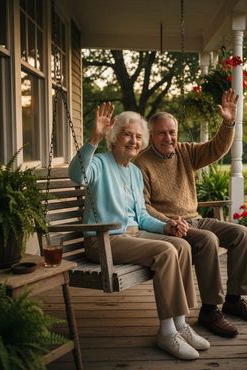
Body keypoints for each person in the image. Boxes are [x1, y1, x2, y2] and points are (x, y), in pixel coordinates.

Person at [69, 102, 210, 360]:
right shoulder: (100, 163)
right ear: (114, 137)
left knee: (182, 245)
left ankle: (181, 324)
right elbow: (78, 175)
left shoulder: (134, 172)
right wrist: (93, 139)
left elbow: (143, 217)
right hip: (104, 240)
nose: (133, 141)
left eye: (138, 137)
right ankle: (167, 332)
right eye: (127, 135)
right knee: (166, 251)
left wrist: (167, 225)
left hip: (133, 235)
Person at [134, 89, 247, 339]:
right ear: (151, 134)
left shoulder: (185, 151)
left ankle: (234, 300)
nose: (168, 137)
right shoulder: (142, 163)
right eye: (162, 132)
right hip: (173, 225)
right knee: (207, 240)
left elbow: (217, 148)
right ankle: (210, 309)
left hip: (196, 217)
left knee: (241, 233)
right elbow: (144, 205)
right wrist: (169, 222)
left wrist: (227, 123)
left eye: (172, 132)